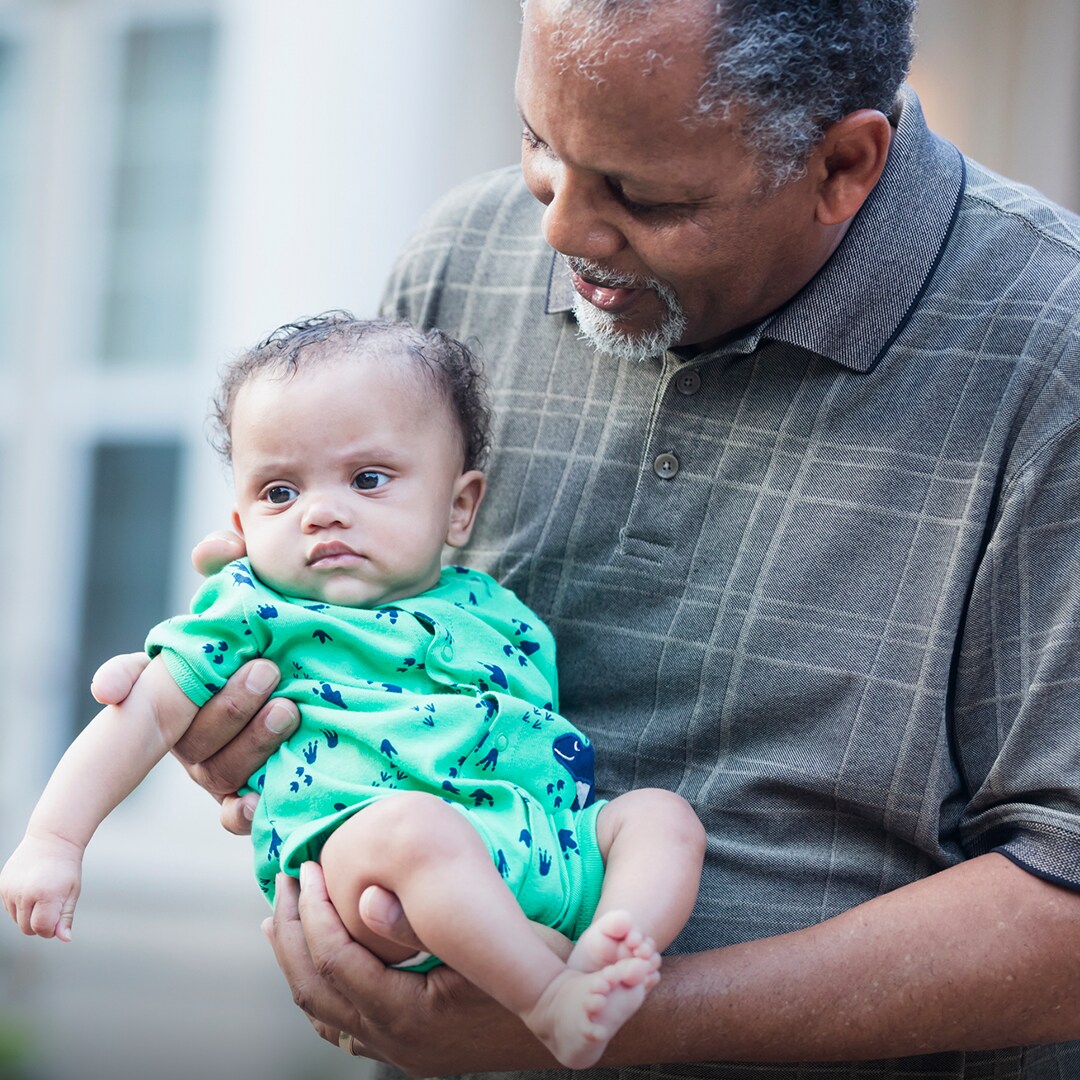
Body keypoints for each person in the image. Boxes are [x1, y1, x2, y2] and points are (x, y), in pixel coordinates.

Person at [92, 0, 1080, 1077]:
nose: (560, 232)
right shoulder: (458, 263)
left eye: (642, 195)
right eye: (538, 146)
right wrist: (253, 719)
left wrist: (602, 1019)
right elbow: (368, 663)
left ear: (842, 164)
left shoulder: (1051, 349)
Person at [1, 314, 705, 1070]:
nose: (322, 510)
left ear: (459, 507)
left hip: (541, 849)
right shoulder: (254, 614)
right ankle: (548, 1000)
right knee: (414, 832)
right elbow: (136, 717)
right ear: (241, 523)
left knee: (659, 819)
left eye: (369, 479)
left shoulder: (497, 611)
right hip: (365, 865)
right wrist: (54, 842)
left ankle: (609, 947)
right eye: (279, 491)